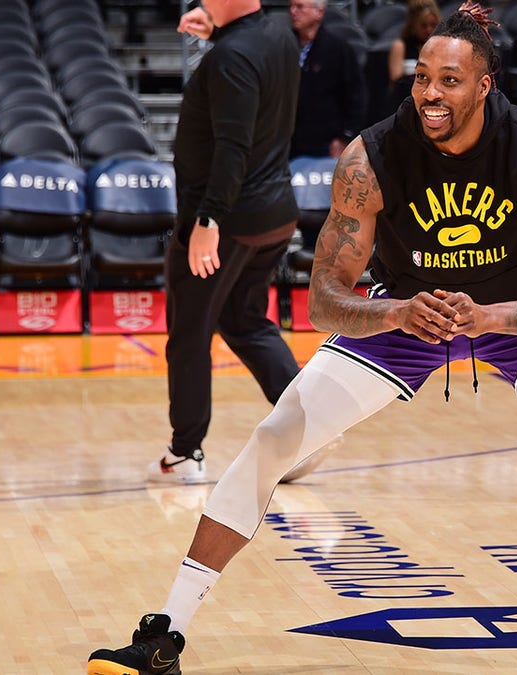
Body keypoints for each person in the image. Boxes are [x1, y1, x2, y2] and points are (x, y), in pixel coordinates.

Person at [86, 5, 517, 675]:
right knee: (274, 436)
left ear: (485, 85)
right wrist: (400, 312)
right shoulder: (372, 155)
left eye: (449, 80)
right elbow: (324, 297)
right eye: (421, 78)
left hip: (513, 314)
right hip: (407, 316)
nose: (430, 93)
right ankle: (163, 635)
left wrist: (492, 318)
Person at [153, 0, 339, 487]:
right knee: (245, 320)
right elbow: (251, 88)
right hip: (274, 211)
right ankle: (311, 429)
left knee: (190, 334)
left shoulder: (232, 56)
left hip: (227, 219)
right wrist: (216, 33)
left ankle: (185, 452)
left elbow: (233, 144)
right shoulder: (278, 32)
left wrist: (207, 220)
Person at [289, 0, 368, 158]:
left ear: (319, 12)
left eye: (300, 7)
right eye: (291, 6)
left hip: (326, 144)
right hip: (289, 143)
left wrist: (345, 137)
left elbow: (356, 97)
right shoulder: (284, 46)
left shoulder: (339, 49)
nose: (293, 11)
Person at [388, 0, 441, 111]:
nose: (428, 30)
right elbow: (396, 81)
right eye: (423, 26)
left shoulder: (441, 48)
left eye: (433, 25)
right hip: (405, 104)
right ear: (413, 24)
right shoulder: (400, 46)